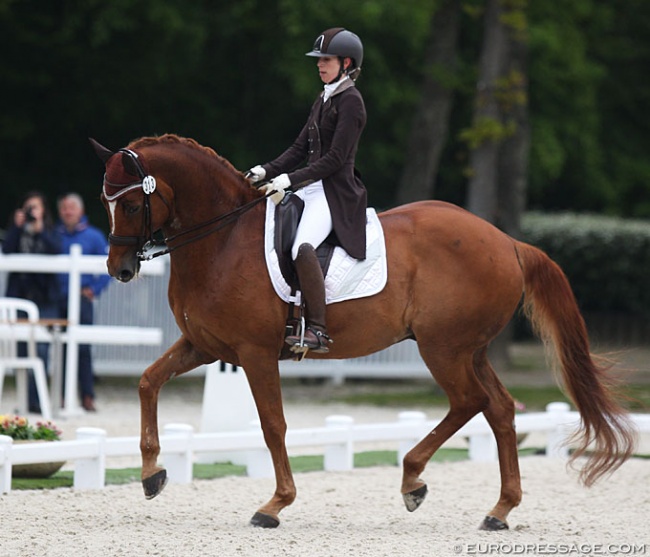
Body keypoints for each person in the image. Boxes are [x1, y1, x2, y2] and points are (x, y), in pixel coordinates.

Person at [247, 27, 368, 353]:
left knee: (303, 247)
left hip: (334, 193)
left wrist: (290, 180)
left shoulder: (351, 102)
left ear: (346, 63)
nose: (319, 65)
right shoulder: (324, 96)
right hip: (309, 188)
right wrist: (265, 170)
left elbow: (335, 159)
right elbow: (299, 147)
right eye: (318, 60)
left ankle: (317, 329)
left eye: (325, 60)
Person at [2, 191, 62, 413]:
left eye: (35, 208)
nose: (31, 212)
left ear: (44, 210)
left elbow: (57, 249)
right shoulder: (18, 230)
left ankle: (37, 400)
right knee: (19, 349)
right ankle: (25, 400)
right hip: (20, 296)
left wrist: (39, 231)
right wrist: (17, 227)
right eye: (28, 208)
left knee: (42, 349)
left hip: (44, 297)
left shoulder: (51, 231)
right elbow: (7, 250)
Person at [56, 193, 111, 412]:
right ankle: (60, 394)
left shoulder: (94, 236)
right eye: (64, 208)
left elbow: (109, 267)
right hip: (57, 299)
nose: (67, 212)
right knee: (59, 348)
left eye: (71, 208)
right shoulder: (54, 235)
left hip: (81, 300)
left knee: (83, 348)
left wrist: (94, 290)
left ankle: (87, 395)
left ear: (80, 211)